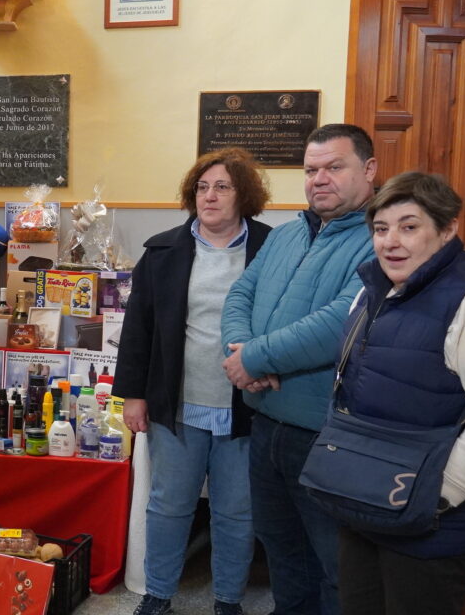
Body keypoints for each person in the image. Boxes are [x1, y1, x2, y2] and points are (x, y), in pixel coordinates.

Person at [330, 172, 465, 615]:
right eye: (381, 229)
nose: (391, 242)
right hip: (367, 503)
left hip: (432, 524)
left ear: (448, 229)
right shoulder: (372, 290)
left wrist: (433, 496)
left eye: (409, 226)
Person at [220, 124, 379, 615]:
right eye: (311, 170)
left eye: (334, 167)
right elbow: (240, 295)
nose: (319, 179)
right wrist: (241, 350)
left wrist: (253, 359)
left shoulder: (381, 238)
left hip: (328, 434)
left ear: (369, 170)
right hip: (267, 425)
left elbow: (339, 323)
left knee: (336, 565)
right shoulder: (286, 234)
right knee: (283, 552)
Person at [114, 147, 273, 615]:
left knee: (236, 511)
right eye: (202, 187)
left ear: (244, 195)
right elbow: (138, 328)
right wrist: (133, 395)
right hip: (178, 404)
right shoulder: (163, 250)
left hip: (246, 407)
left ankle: (228, 600)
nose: (210, 196)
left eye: (222, 187)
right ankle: (158, 595)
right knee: (169, 505)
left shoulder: (272, 248)